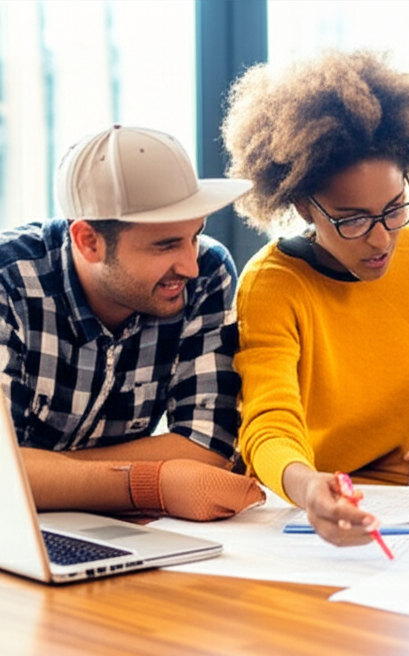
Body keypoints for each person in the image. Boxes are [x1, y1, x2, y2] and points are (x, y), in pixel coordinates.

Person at [223, 50, 409, 546]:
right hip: (308, 513)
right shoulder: (273, 284)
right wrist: (308, 489)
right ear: (306, 206)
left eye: (395, 208)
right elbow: (267, 422)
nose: (381, 239)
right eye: (352, 219)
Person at [0, 125, 265, 520]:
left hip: (114, 527)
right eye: (166, 245)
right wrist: (152, 483)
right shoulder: (9, 282)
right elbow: (4, 479)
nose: (189, 265)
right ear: (89, 241)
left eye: (194, 235)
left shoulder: (208, 271)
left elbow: (206, 448)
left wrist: (46, 474)